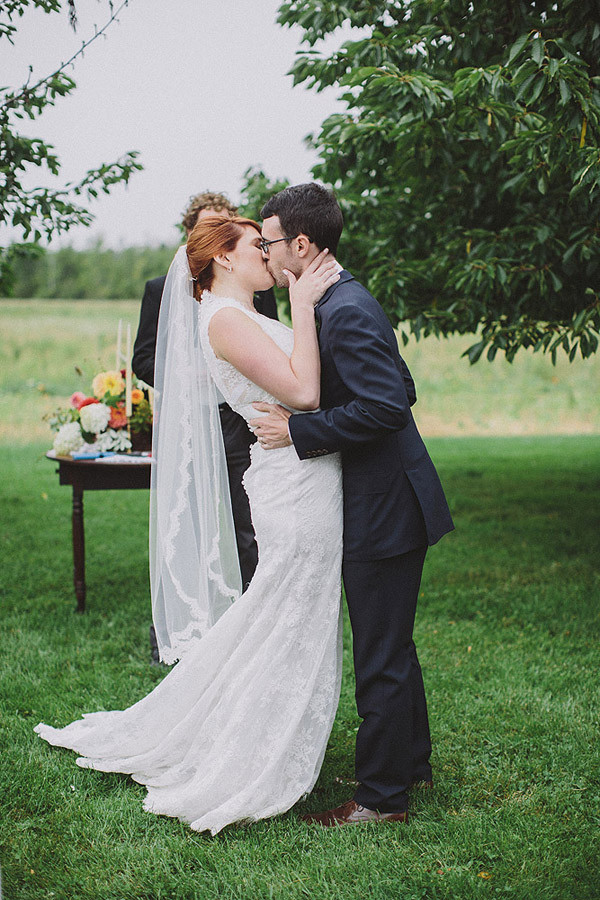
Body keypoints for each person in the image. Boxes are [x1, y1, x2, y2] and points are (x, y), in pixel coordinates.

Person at [35, 215, 344, 835]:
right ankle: (244, 747)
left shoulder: (237, 315)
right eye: (257, 246)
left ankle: (245, 726)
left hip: (298, 470)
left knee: (280, 611)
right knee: (285, 613)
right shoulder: (225, 321)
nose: (269, 254)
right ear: (224, 260)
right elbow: (304, 394)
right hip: (296, 479)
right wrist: (305, 305)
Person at [251, 182, 454, 826]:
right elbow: (404, 387)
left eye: (270, 240)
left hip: (386, 506)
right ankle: (410, 767)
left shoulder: (345, 309)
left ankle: (381, 799)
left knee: (380, 652)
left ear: (302, 244)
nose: (265, 251)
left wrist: (300, 431)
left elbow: (390, 404)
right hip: (384, 498)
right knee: (391, 643)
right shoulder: (339, 300)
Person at [132, 192, 278, 665]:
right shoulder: (160, 289)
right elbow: (144, 357)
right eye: (207, 225)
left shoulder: (259, 286)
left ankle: (250, 618)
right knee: (184, 520)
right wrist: (184, 375)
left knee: (246, 521)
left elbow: (268, 346)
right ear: (195, 234)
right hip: (188, 424)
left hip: (237, 422)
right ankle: (175, 627)